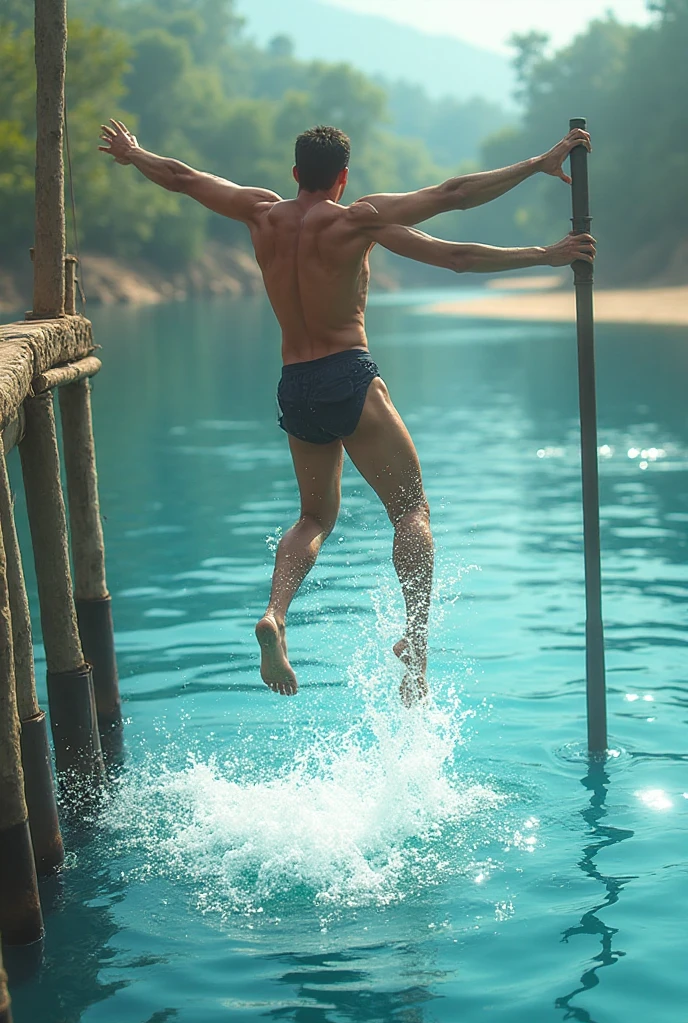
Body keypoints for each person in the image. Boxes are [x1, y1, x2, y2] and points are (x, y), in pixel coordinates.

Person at [99, 120, 595, 704]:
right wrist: (544, 231)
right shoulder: (358, 218)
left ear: (293, 175)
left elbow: (184, 178)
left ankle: (275, 614)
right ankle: (414, 640)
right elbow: (453, 218)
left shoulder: (261, 214)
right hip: (347, 375)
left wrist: (134, 155)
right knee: (411, 511)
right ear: (342, 177)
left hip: (294, 385)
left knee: (314, 519)